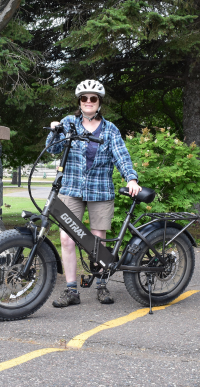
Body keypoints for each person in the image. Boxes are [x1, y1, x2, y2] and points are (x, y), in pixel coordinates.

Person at [46, 79, 141, 308]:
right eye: (84, 98)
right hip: (71, 188)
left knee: (97, 242)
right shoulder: (69, 123)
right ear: (79, 102)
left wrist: (131, 178)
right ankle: (71, 290)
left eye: (93, 98)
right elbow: (53, 150)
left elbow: (121, 155)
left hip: (100, 190)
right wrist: (55, 130)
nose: (88, 102)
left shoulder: (110, 129)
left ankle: (100, 285)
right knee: (67, 239)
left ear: (99, 103)